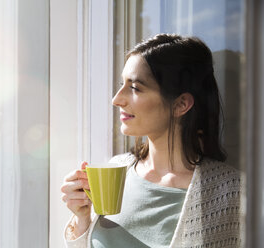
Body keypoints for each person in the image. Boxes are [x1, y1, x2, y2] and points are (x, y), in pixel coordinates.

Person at [60, 34, 242, 248]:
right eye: (122, 84)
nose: (117, 99)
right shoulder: (118, 169)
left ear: (181, 104)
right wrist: (81, 218)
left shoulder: (229, 193)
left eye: (135, 88)